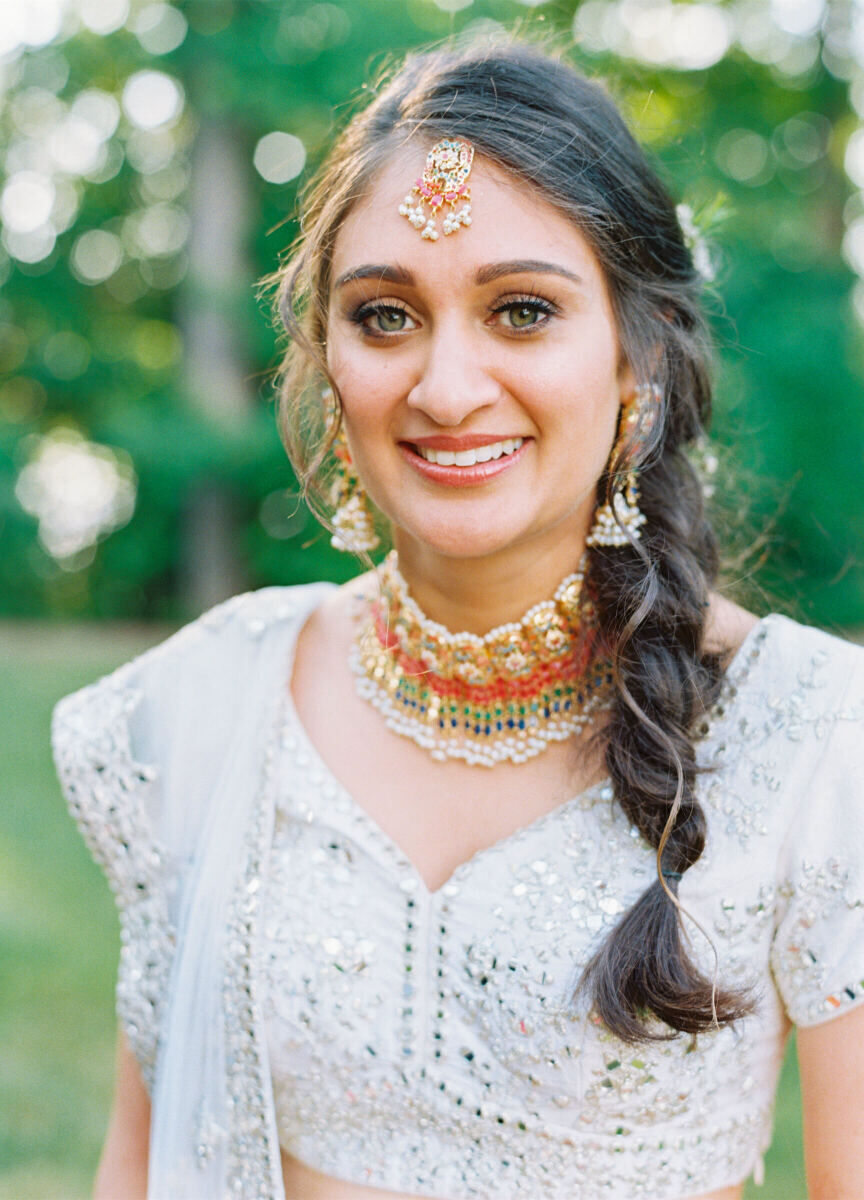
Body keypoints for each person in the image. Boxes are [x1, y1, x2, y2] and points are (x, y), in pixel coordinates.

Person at [52, 39, 864, 1200]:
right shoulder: (201, 708)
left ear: (638, 352)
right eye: (384, 316)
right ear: (326, 358)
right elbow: (138, 1170)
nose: (444, 386)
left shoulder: (810, 733)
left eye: (522, 310)